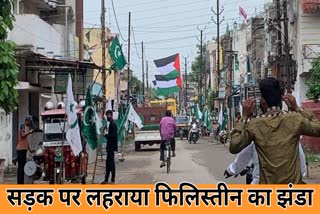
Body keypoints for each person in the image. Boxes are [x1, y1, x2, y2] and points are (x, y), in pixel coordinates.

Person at [230, 77, 320, 184]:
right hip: (294, 191)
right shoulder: (295, 119)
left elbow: (234, 146)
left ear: (263, 102)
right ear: (282, 100)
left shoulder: (254, 124)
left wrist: (244, 117)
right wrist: (297, 108)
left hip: (269, 192)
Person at [17, 115, 35, 184]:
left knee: (23, 167)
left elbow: (26, 142)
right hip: (20, 149)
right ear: (26, 120)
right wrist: (29, 132)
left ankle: (21, 182)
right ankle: (20, 183)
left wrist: (30, 150)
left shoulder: (26, 128)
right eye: (29, 122)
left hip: (24, 149)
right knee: (21, 167)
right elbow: (22, 135)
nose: (30, 123)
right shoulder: (22, 126)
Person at [101, 110, 118, 184]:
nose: (108, 116)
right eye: (107, 115)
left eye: (109, 115)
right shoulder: (109, 124)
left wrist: (106, 135)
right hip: (109, 147)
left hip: (111, 147)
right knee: (108, 164)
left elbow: (114, 136)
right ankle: (106, 179)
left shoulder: (113, 124)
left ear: (111, 115)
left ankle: (112, 179)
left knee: (111, 164)